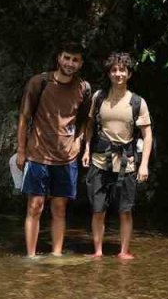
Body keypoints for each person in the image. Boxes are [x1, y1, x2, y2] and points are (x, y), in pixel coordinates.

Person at [15, 42, 92, 258]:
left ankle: (56, 256)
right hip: (38, 154)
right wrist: (21, 150)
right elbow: (24, 117)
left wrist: (79, 141)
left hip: (67, 157)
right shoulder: (39, 82)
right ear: (59, 58)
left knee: (59, 208)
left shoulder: (83, 89)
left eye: (75, 59)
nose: (70, 63)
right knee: (35, 206)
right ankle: (30, 256)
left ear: (80, 63)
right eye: (67, 58)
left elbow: (85, 120)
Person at [81, 52, 154, 259]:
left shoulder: (137, 102)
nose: (118, 74)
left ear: (129, 73)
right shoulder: (99, 97)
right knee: (97, 209)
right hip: (99, 160)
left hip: (127, 164)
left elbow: (147, 135)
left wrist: (144, 165)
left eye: (122, 70)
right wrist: (86, 149)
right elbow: (90, 126)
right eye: (114, 70)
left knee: (125, 210)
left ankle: (123, 251)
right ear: (109, 73)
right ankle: (98, 251)